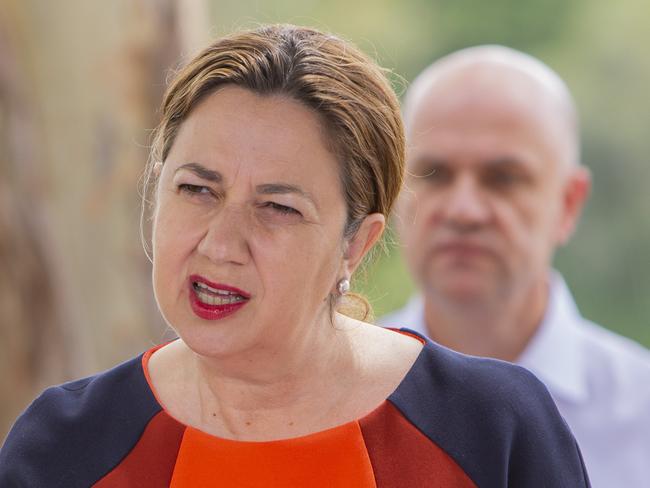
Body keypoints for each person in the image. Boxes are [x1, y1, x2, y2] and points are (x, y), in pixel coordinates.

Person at [0, 26, 589, 487]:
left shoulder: (493, 429)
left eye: (277, 207)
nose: (220, 244)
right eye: (197, 190)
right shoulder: (63, 446)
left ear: (355, 243)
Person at [380, 45, 650, 487]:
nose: (463, 210)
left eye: (502, 177)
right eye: (434, 173)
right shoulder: (333, 402)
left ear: (568, 202)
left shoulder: (641, 418)